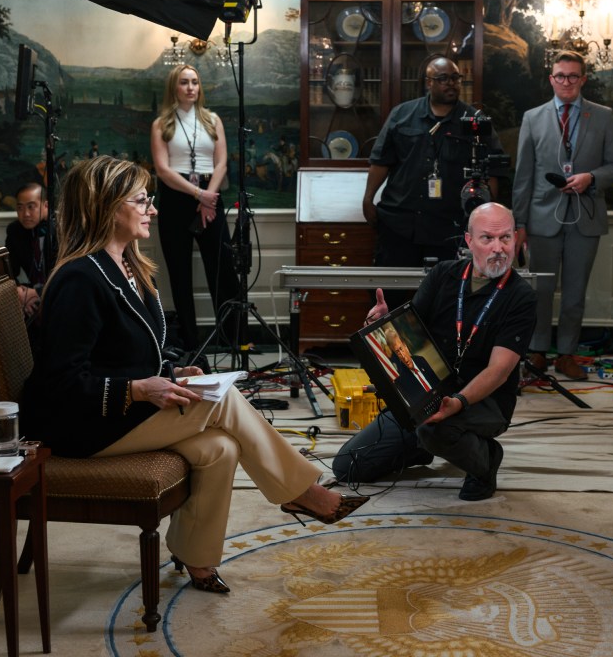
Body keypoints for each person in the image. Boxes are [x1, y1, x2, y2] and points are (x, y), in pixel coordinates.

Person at [20, 156, 366, 594]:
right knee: (221, 401)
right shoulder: (78, 279)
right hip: (81, 426)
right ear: (108, 206)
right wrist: (139, 389)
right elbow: (61, 383)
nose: (153, 209)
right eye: (143, 199)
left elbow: (127, 350)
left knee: (219, 447)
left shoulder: (130, 267)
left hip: (121, 410)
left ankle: (197, 558)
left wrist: (169, 371)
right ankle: (301, 491)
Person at [332, 203, 536, 501]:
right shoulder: (444, 275)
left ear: (516, 239)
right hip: (428, 390)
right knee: (347, 467)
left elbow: (499, 371)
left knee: (432, 429)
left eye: (505, 238)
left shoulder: (521, 297)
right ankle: (422, 446)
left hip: (485, 401)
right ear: (468, 241)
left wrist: (458, 401)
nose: (498, 248)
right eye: (487, 238)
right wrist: (383, 324)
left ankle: (486, 461)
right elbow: (409, 333)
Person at [512, 50, 613, 380]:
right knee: (539, 294)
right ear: (551, 79)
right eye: (560, 76)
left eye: (573, 76)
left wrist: (591, 178)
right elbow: (523, 175)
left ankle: (566, 355)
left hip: (585, 219)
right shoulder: (533, 118)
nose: (566, 82)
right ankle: (536, 353)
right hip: (541, 219)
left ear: (583, 79)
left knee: (575, 295)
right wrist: (519, 223)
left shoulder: (602, 116)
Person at [363, 56, 505, 300]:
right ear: (428, 82)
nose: (451, 84)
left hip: (448, 228)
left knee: (445, 299)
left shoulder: (474, 123)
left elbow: (493, 171)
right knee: (388, 297)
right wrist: (368, 199)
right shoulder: (402, 115)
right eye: (443, 79)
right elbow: (381, 161)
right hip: (400, 223)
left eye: (455, 78)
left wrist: (486, 215)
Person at [150, 63, 243, 353]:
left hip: (210, 195)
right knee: (179, 274)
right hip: (177, 197)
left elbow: (221, 163)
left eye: (195, 82)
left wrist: (208, 197)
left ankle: (232, 339)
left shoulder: (212, 120)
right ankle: (191, 346)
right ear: (174, 88)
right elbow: (163, 170)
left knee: (223, 269)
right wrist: (198, 195)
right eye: (184, 82)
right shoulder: (161, 124)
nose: (191, 87)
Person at [5, 182, 50, 320]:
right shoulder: (15, 231)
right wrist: (18, 292)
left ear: (46, 206)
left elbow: (67, 277)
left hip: (57, 292)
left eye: (31, 206)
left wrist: (37, 293)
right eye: (20, 208)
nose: (26, 214)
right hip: (28, 294)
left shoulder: (63, 230)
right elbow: (9, 270)